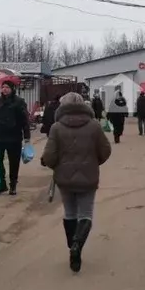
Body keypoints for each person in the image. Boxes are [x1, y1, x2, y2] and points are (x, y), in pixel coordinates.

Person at [40, 92, 112, 273]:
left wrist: (54, 163)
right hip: (88, 178)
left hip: (64, 179)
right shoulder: (94, 126)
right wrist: (94, 162)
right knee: (86, 213)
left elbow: (49, 156)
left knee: (70, 212)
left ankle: (71, 244)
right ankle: (77, 245)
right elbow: (105, 150)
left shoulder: (56, 127)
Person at [0, 81, 31, 196]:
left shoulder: (19, 102)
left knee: (14, 162)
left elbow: (25, 120)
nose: (4, 89)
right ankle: (1, 184)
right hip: (0, 136)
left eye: (7, 87)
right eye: (3, 87)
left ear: (12, 89)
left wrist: (27, 136)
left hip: (14, 137)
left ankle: (13, 184)